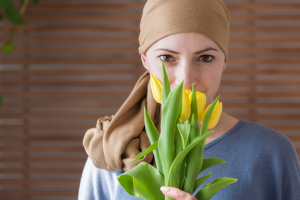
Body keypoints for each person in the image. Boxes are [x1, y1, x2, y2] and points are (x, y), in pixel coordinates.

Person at [78, 0, 300, 199]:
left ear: (224, 62)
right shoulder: (111, 152)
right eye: (167, 58)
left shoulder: (272, 153)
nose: (186, 80)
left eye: (205, 58)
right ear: (145, 60)